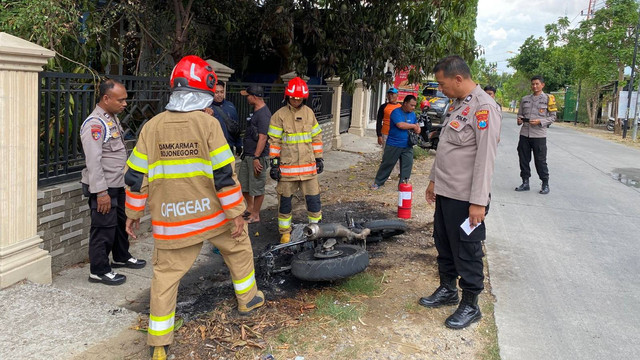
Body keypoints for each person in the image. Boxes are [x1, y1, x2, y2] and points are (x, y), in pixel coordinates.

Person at [124, 55, 264, 360]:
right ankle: (248, 300)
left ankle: (159, 343)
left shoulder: (152, 127)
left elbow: (135, 177)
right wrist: (237, 213)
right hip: (214, 216)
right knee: (239, 249)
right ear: (205, 92)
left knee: (165, 276)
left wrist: (133, 214)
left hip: (172, 222)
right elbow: (224, 177)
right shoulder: (208, 124)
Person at [420, 55, 501, 330]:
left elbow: (485, 159)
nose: (440, 89)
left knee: (466, 250)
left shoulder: (484, 108)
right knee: (443, 242)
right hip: (446, 191)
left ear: (458, 79)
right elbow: (445, 148)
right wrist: (433, 181)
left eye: (442, 84)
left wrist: (478, 202)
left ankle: (470, 305)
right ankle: (448, 289)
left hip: (467, 198)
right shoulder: (458, 106)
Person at [79, 79, 146, 286]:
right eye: (121, 100)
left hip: (116, 184)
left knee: (119, 224)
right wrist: (101, 192)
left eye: (126, 100)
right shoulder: (95, 124)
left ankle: (121, 256)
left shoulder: (110, 118)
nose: (125, 104)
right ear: (106, 98)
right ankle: (99, 271)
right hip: (104, 187)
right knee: (103, 228)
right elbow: (93, 161)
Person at [268, 76, 323, 244]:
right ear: (287, 97)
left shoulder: (309, 114)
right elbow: (274, 141)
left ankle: (316, 230)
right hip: (287, 170)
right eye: (293, 97)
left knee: (314, 202)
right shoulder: (279, 116)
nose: (296, 101)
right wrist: (275, 164)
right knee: (284, 203)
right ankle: (285, 232)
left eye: (299, 98)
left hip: (308, 171)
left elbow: (316, 137)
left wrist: (319, 158)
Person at [515, 75, 556, 194]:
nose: (535, 86)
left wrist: (540, 121)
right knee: (523, 159)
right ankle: (525, 182)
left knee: (540, 161)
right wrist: (519, 120)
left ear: (542, 85)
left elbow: (553, 117)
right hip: (525, 134)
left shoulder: (549, 98)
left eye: (537, 84)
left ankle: (545, 183)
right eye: (533, 84)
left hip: (539, 135)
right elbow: (520, 114)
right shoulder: (525, 99)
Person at [370, 95, 421, 190]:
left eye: (414, 106)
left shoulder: (413, 114)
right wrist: (413, 126)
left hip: (407, 145)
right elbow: (400, 125)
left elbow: (416, 125)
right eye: (411, 105)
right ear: (405, 103)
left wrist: (417, 128)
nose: (413, 108)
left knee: (407, 165)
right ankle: (378, 182)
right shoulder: (396, 112)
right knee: (387, 163)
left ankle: (403, 185)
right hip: (394, 144)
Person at [239, 84, 271, 224]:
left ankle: (256, 214)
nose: (247, 98)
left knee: (257, 187)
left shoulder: (264, 114)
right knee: (243, 185)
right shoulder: (255, 111)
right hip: (248, 155)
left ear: (255, 97)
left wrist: (256, 157)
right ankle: (250, 208)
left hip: (257, 157)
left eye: (248, 95)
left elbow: (263, 137)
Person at [209, 80, 242, 155]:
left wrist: (238, 144)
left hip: (229, 146)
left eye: (221, 92)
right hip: (214, 148)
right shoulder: (207, 108)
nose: (220, 95)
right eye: (216, 92)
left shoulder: (230, 106)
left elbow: (236, 126)